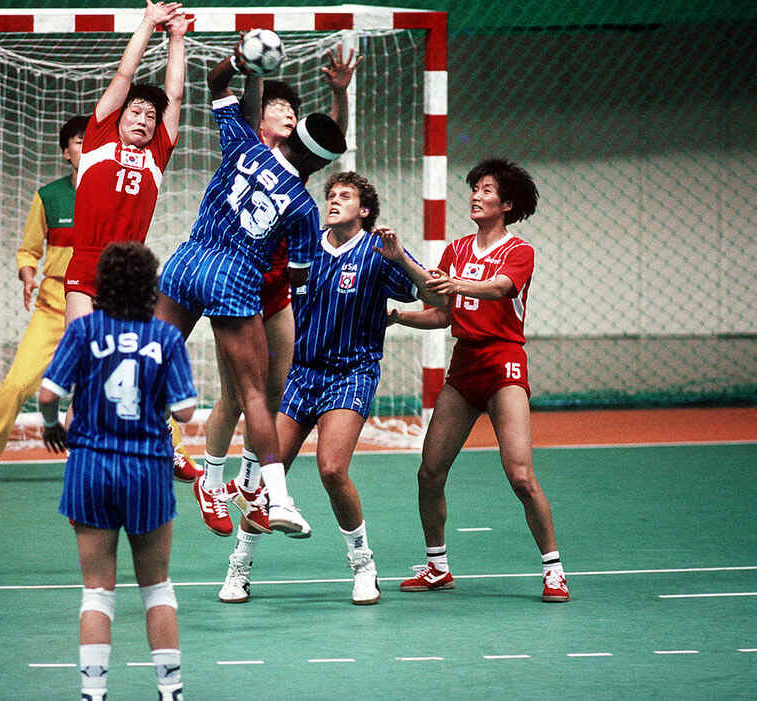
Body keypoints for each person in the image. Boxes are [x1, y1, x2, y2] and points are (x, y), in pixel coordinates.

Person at [217, 171, 446, 605]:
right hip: (299, 372)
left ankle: (363, 566)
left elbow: (434, 300)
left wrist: (401, 259)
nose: (334, 201)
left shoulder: (380, 250)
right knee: (271, 472)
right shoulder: (304, 247)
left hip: (351, 372)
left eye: (345, 196)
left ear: (364, 210)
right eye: (331, 195)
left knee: (331, 469)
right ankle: (239, 568)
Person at [154, 38, 347, 540]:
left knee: (150, 359)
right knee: (253, 395)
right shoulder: (305, 207)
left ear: (291, 135)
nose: (281, 112)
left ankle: (160, 445)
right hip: (239, 282)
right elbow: (303, 277)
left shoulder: (240, 142)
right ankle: (273, 495)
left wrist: (238, 62)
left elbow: (216, 84)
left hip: (188, 261)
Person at [389, 157, 570, 603]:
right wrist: (395, 310)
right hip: (465, 365)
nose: (476, 195)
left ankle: (554, 570)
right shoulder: (456, 250)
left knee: (521, 475)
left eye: (487, 190)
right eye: (475, 188)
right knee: (429, 471)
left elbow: (501, 288)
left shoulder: (519, 251)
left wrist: (456, 285)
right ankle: (437, 567)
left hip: (504, 364)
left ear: (506, 204)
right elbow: (441, 311)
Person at [39, 241, 197, 701]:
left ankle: (94, 692)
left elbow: (48, 396)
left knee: (97, 590)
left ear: (103, 285)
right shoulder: (165, 337)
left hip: (89, 465)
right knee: (156, 587)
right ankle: (171, 693)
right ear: (151, 288)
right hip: (146, 468)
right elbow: (185, 411)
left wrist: (52, 428)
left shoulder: (84, 330)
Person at [60, 1, 199, 482]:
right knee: (85, 360)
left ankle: (163, 443)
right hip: (85, 264)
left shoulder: (158, 151)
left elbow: (174, 98)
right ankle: (87, 463)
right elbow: (125, 74)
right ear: (119, 116)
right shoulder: (98, 138)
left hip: (132, 272)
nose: (142, 117)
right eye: (136, 111)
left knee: (139, 361)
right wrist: (148, 24)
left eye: (148, 115)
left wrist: (177, 37)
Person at [0, 115, 89, 484]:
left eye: (91, 139)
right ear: (65, 153)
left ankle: (177, 455)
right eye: (77, 140)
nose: (85, 145)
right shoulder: (48, 197)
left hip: (98, 304)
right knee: (15, 386)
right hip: (54, 304)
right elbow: (28, 250)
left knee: (140, 372)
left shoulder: (114, 191)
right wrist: (28, 275)